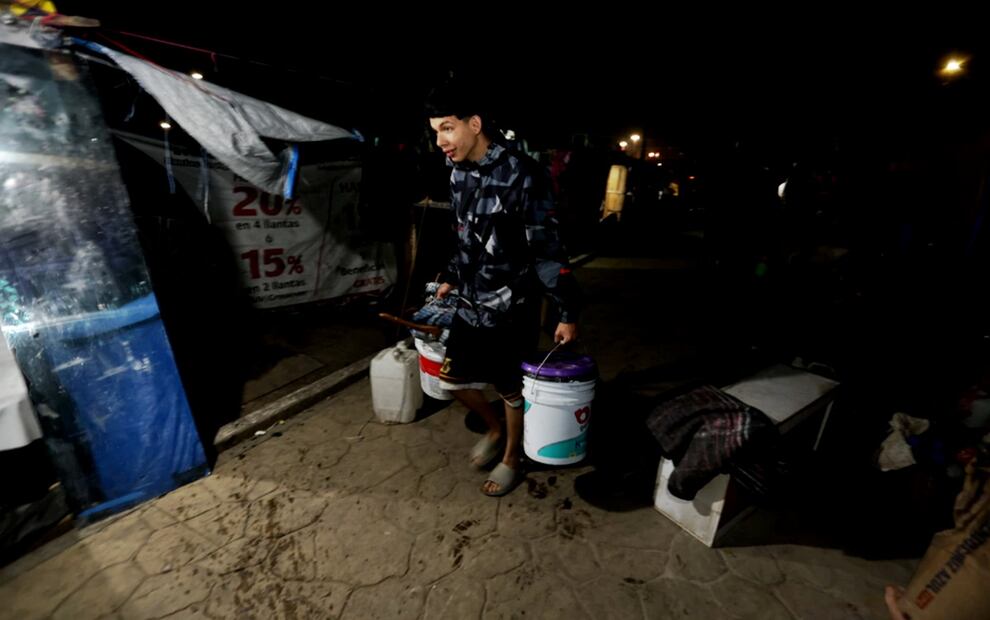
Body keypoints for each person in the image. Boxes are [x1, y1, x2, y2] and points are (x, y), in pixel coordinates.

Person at [425, 80, 581, 496]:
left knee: (511, 387)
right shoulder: (457, 172)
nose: (440, 141)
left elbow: (548, 249)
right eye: (435, 131)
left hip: (515, 304)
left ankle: (513, 457)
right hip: (470, 300)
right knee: (451, 381)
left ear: (474, 124)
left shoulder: (525, 175)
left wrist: (566, 311)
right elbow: (463, 235)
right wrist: (451, 277)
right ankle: (494, 431)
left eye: (447, 128)